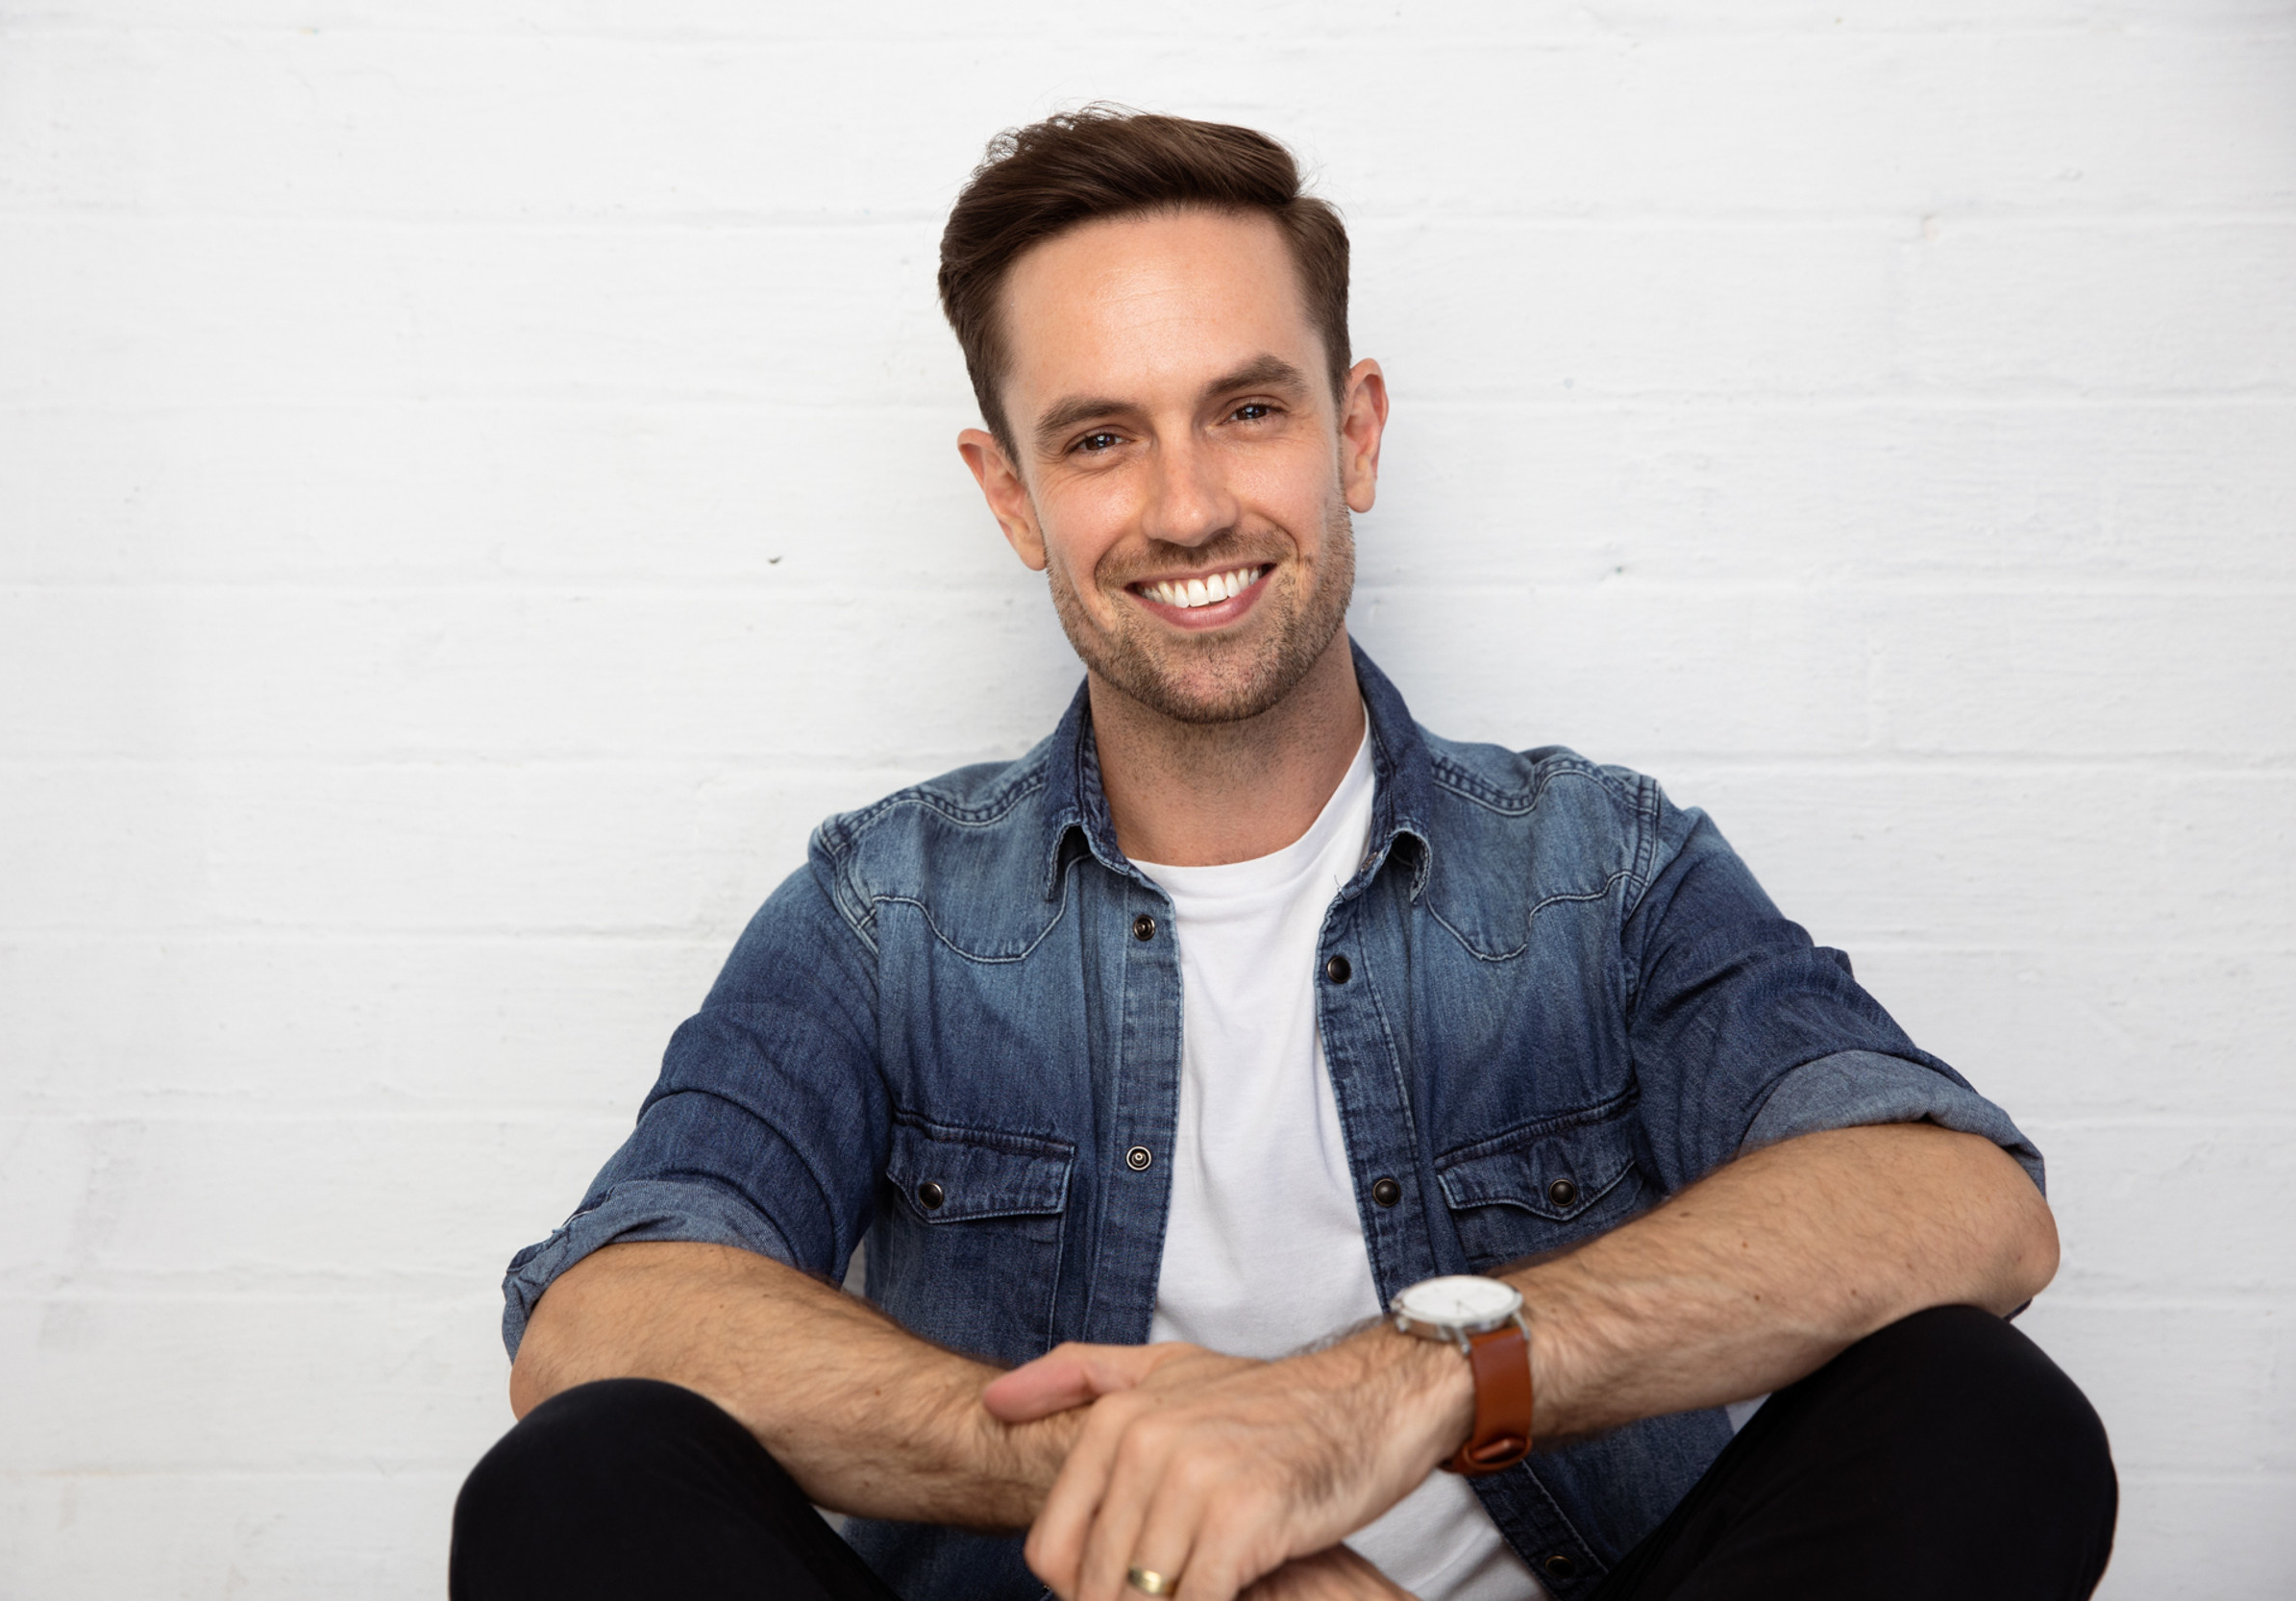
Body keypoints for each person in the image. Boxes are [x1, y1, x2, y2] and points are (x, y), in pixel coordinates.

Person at [450, 109, 2115, 1601]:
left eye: (1247, 409)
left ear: (1355, 432)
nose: (1188, 507)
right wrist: (1156, 1483)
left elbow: (1960, 1202)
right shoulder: (888, 913)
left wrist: (1384, 1394)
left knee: (1981, 1412)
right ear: (1012, 497)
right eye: (1099, 438)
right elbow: (603, 1313)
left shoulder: (1593, 869)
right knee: (579, 1481)